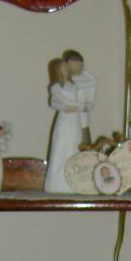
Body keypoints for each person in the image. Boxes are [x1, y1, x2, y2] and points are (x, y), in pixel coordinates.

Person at [44, 58, 85, 194]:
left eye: (67, 67)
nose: (66, 70)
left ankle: (73, 180)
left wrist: (77, 106)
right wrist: (70, 107)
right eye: (63, 68)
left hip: (74, 120)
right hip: (65, 120)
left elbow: (77, 100)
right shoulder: (56, 87)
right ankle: (58, 183)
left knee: (74, 147)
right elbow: (56, 102)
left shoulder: (72, 85)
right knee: (62, 147)